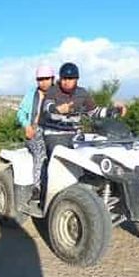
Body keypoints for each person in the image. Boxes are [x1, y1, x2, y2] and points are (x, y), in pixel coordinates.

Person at [39, 62, 126, 143]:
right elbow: (47, 106)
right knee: (61, 152)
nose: (67, 81)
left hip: (75, 135)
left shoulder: (82, 93)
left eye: (70, 78)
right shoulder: (52, 91)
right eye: (64, 78)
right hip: (54, 135)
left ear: (76, 79)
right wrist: (56, 109)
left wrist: (115, 110)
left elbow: (94, 112)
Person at [16, 65, 54, 199]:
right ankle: (38, 188)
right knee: (40, 152)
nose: (43, 82)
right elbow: (21, 112)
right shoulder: (32, 94)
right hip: (35, 131)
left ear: (52, 79)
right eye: (40, 79)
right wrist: (27, 126)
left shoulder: (58, 94)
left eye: (46, 79)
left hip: (54, 132)